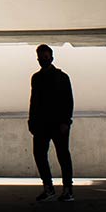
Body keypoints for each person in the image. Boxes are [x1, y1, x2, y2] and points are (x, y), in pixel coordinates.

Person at [29, 44, 75, 202]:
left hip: (58, 124)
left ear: (51, 57)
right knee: (40, 154)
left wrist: (65, 121)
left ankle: (67, 189)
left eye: (45, 57)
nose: (43, 60)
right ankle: (49, 188)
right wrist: (32, 121)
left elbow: (68, 101)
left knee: (63, 155)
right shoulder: (36, 78)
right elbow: (34, 101)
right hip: (42, 124)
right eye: (41, 58)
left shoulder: (62, 77)